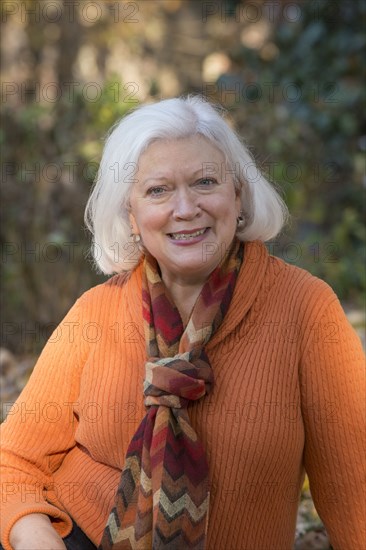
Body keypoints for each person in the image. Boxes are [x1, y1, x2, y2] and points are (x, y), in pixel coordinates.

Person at [0, 96, 364, 550]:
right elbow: (12, 462)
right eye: (158, 190)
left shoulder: (306, 310)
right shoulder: (96, 311)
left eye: (205, 182)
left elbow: (356, 490)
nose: (186, 208)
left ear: (239, 195)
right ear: (131, 216)